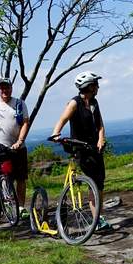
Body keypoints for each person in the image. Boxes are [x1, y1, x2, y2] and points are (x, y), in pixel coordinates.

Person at [50, 71, 110, 229]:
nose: (98, 86)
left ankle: (98, 217)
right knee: (93, 183)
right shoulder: (75, 103)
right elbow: (63, 119)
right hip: (80, 147)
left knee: (99, 184)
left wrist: (101, 138)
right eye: (95, 84)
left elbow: (100, 125)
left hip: (94, 147)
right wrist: (56, 134)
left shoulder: (94, 103)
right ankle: (97, 220)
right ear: (89, 86)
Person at [0, 77, 30, 205]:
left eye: (7, 87)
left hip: (19, 148)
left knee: (21, 179)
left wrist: (20, 141)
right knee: (5, 177)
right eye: (2, 88)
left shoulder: (20, 104)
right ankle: (9, 205)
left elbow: (26, 123)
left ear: (11, 88)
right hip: (1, 150)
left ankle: (21, 207)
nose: (5, 90)